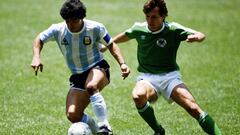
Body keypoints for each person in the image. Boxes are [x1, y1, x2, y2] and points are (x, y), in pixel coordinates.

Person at [113, 0, 221, 134]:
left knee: (193, 108)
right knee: (138, 96)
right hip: (147, 78)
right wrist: (107, 44)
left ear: (163, 16)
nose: (149, 20)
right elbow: (125, 36)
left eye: (154, 17)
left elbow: (200, 34)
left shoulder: (173, 29)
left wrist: (197, 37)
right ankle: (158, 131)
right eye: (147, 16)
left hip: (170, 77)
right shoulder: (139, 28)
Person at [30, 0, 130, 135]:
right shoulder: (57, 29)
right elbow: (39, 39)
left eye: (74, 21)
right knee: (73, 115)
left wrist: (122, 64)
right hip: (77, 75)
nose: (70, 25)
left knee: (91, 86)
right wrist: (36, 56)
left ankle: (104, 125)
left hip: (98, 67)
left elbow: (111, 44)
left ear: (82, 18)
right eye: (67, 21)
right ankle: (97, 131)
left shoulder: (95, 28)